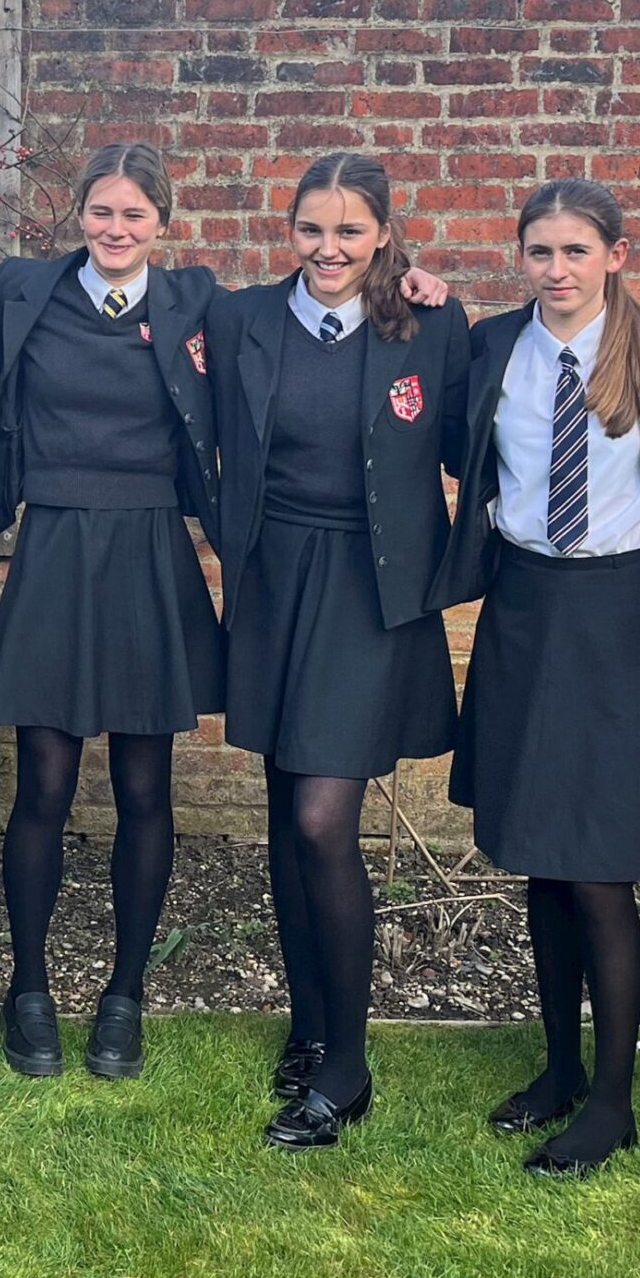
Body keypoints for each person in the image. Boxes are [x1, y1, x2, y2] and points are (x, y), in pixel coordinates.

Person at [433, 180, 640, 1178]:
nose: (556, 270)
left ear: (617, 255)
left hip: (621, 618)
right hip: (522, 607)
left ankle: (612, 1101)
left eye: (575, 251)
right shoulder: (490, 347)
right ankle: (557, 1069)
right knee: (539, 857)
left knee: (597, 865)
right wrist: (415, 291)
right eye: (539, 251)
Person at [208, 151, 468, 1149]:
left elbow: (511, 399)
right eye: (311, 228)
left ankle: (350, 1063)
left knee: (324, 819)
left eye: (350, 231)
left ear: (385, 234)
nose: (328, 249)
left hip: (368, 587)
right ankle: (312, 1025)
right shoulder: (239, 318)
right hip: (275, 580)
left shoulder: (432, 324)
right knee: (285, 810)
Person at [0, 142, 224, 1081]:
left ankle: (125, 997)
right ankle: (27, 989)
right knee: (41, 781)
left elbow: (320, 300)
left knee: (145, 788)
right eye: (102, 213)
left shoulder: (195, 302)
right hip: (57, 547)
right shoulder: (25, 291)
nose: (116, 231)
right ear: (79, 216)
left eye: (135, 215)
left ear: (162, 222)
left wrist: (418, 282)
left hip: (152, 549)